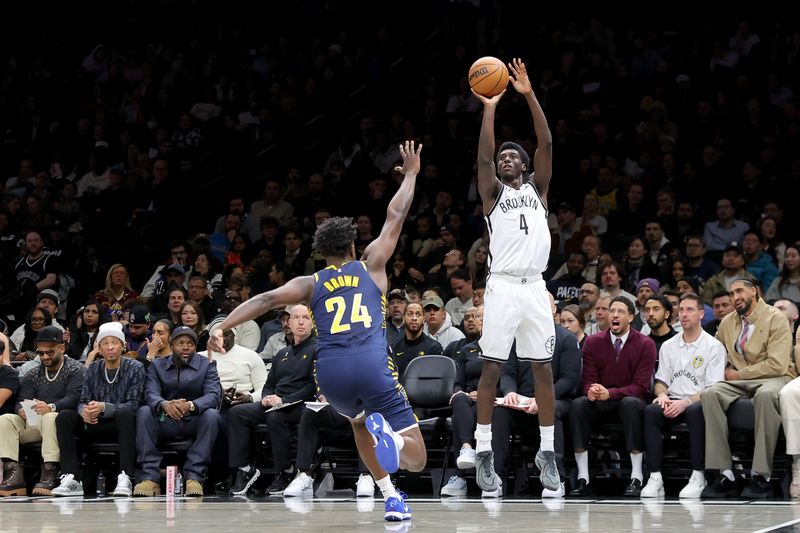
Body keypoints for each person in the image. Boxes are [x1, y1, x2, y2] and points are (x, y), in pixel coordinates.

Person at [208, 141, 426, 523]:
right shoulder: (371, 265)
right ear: (354, 245)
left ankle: (390, 496)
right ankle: (391, 441)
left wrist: (221, 326)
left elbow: (264, 300)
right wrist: (410, 174)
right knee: (417, 457)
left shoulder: (310, 282)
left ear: (321, 251)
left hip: (331, 375)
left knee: (359, 421)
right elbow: (395, 214)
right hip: (371, 365)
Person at [469, 57, 560, 495]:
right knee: (491, 368)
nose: (506, 159)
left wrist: (527, 95)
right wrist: (489, 108)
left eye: (513, 156)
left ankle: (548, 451)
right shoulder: (492, 196)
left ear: (524, 167)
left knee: (542, 370)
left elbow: (545, 143)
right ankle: (483, 450)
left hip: (535, 287)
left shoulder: (538, 192)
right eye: (503, 157)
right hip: (503, 285)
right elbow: (483, 156)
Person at [701, 278, 796, 499]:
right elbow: (716, 350)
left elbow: (777, 364)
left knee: (764, 395)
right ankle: (725, 473)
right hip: (740, 381)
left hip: (777, 376)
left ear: (755, 291)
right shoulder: (728, 322)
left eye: (740, 291)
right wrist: (723, 366)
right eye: (732, 293)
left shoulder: (775, 317)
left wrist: (739, 373)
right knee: (710, 394)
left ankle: (760, 475)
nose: (735, 297)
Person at [639, 293, 726, 499]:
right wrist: (661, 395)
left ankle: (698, 475)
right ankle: (655, 477)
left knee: (696, 411)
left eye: (690, 310)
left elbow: (713, 389)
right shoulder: (669, 345)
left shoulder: (714, 346)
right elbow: (661, 382)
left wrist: (685, 403)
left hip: (698, 402)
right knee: (651, 410)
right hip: (672, 400)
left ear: (701, 314)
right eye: (682, 310)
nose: (684, 314)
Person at [52, 322, 145, 497]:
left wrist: (104, 407)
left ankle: (125, 476)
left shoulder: (135, 367)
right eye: (105, 343)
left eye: (115, 342)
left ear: (122, 345)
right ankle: (72, 477)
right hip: (94, 424)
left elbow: (135, 403)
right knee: (65, 416)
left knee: (126, 413)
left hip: (120, 425)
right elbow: (83, 400)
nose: (110, 347)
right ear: (99, 348)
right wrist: (84, 411)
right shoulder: (92, 368)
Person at [133, 326, 221, 497]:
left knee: (212, 415)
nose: (185, 347)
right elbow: (150, 393)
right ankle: (150, 479)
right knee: (144, 411)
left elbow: (213, 395)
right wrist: (165, 404)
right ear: (172, 346)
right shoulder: (157, 365)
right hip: (165, 420)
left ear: (196, 347)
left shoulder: (208, 364)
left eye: (190, 343)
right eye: (180, 343)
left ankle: (194, 477)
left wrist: (191, 405)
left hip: (193, 420)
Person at [0, 326, 85, 496]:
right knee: (5, 419)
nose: (45, 356)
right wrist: (21, 411)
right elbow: (20, 400)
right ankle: (14, 475)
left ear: (62, 348)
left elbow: (73, 398)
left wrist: (50, 407)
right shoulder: (32, 374)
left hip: (63, 424)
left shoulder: (76, 369)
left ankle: (50, 472)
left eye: (50, 352)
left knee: (50, 417)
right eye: (41, 353)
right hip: (34, 424)